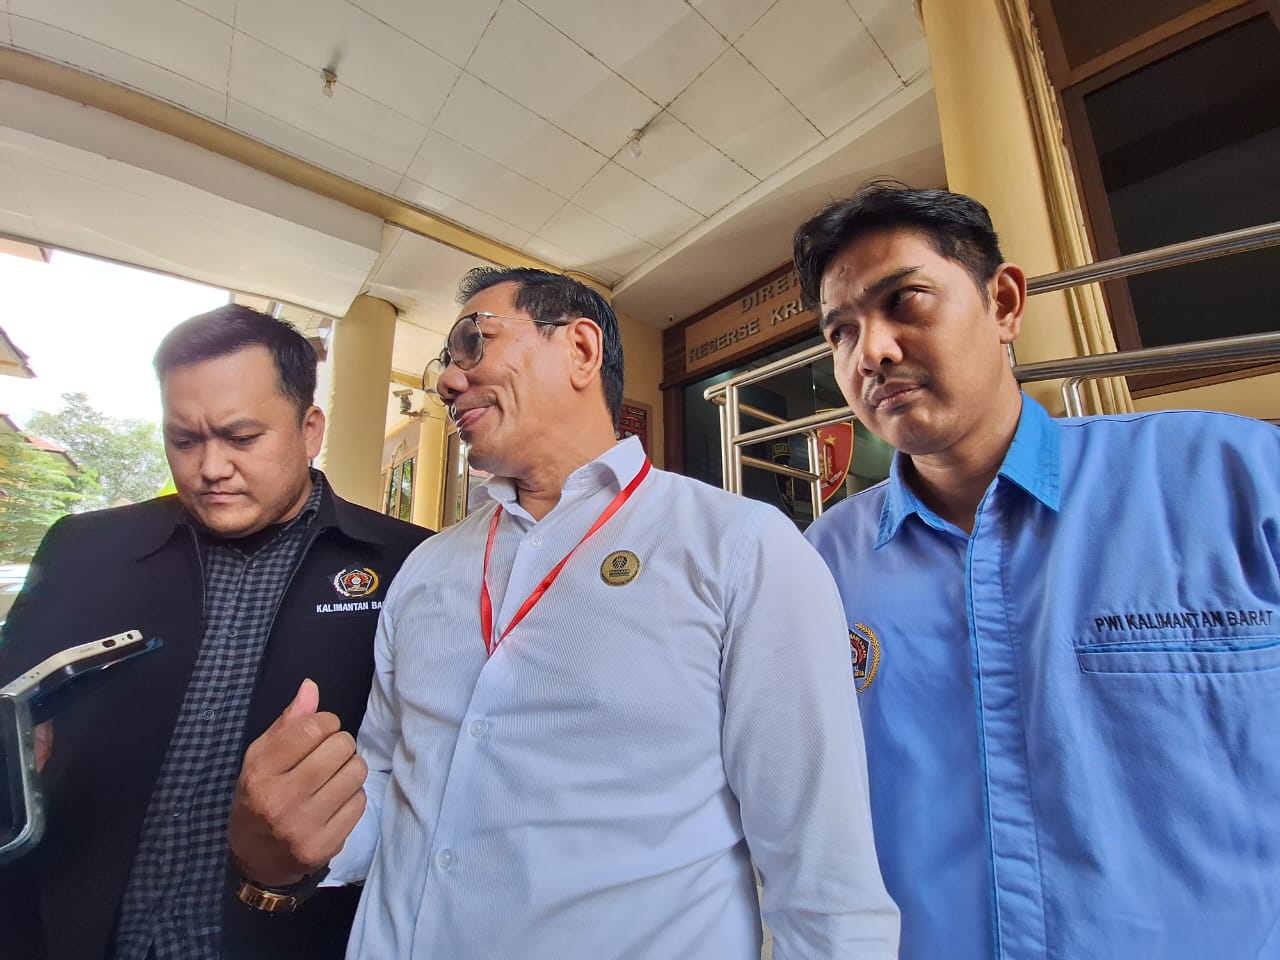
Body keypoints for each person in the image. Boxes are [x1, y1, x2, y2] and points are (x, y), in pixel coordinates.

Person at [228, 267, 899, 959]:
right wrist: (293, 839)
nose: (448, 382)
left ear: (580, 349)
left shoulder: (740, 548)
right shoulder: (426, 569)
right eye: (444, 363)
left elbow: (824, 884)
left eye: (473, 343)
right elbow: (389, 785)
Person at [793, 182, 1280, 959]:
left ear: (1005, 304)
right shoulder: (818, 567)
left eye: (905, 301)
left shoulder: (1234, 483)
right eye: (841, 333)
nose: (872, 352)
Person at [0, 305, 431, 960]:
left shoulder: (409, 567)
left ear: (310, 429)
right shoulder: (84, 549)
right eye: (185, 440)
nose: (211, 467)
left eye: (242, 437)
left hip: (294, 937)